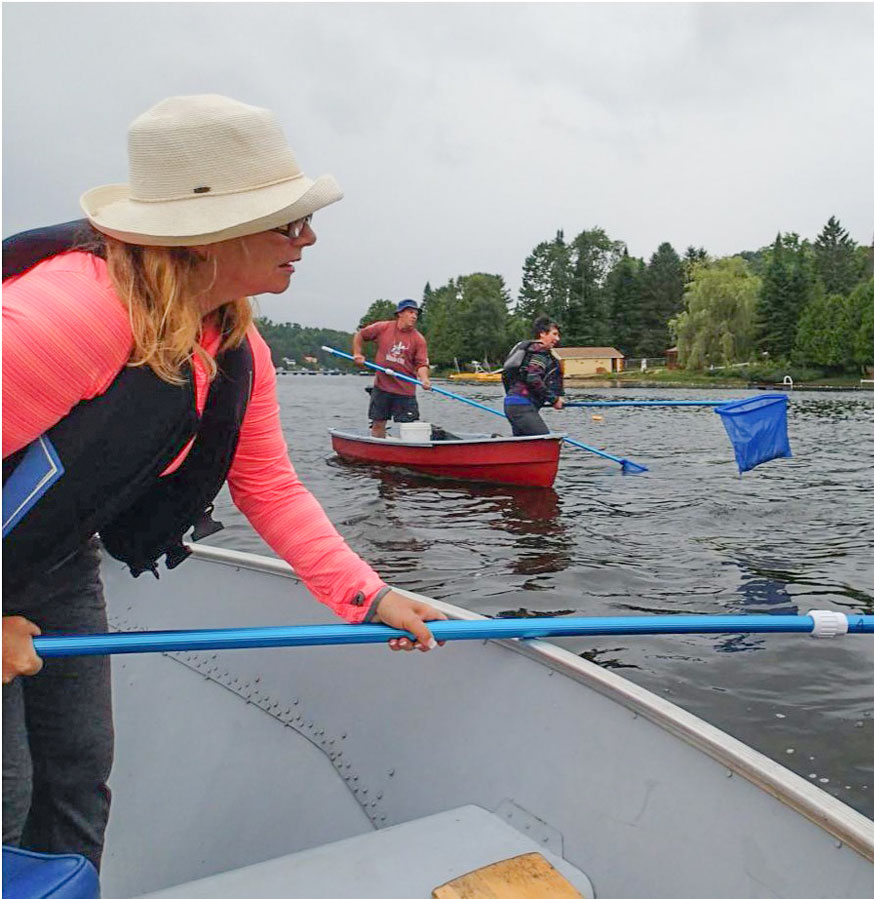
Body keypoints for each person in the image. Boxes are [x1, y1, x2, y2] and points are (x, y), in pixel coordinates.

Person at [1, 94, 446, 871]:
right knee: (4, 791)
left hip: (52, 558)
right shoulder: (70, 315)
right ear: (211, 234)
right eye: (287, 221)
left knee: (78, 775)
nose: (307, 237)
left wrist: (368, 594)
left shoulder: (235, 346)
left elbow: (269, 486)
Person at [351, 299, 431, 438]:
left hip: (405, 390)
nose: (414, 316)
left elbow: (421, 364)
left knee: (410, 426)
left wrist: (424, 379)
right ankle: (378, 450)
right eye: (410, 312)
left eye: (416, 314)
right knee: (378, 424)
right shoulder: (383, 328)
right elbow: (360, 335)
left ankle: (409, 453)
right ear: (400, 313)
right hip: (382, 387)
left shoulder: (418, 339)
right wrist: (357, 354)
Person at [502, 316, 565, 436]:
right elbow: (533, 378)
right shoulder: (539, 352)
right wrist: (554, 399)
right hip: (522, 405)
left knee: (524, 446)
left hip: (513, 403)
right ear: (542, 334)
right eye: (554, 334)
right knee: (544, 443)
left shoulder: (529, 350)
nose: (557, 339)